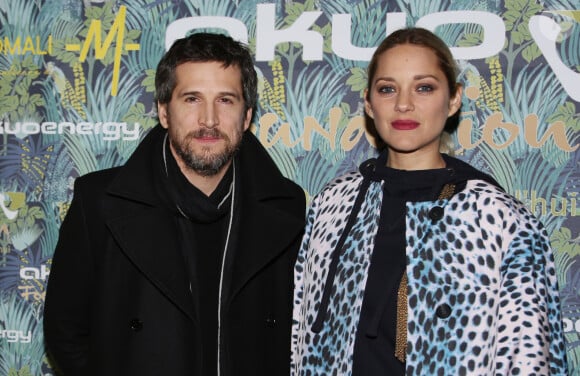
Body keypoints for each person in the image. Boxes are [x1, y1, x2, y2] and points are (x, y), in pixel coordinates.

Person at [290, 27, 567, 375]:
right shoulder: (333, 204)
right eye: (388, 89)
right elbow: (299, 337)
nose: (403, 104)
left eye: (424, 87)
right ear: (368, 103)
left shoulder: (499, 219)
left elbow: (528, 361)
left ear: (453, 99)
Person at [43, 32, 306, 376]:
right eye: (192, 99)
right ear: (164, 112)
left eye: (226, 100)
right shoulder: (100, 203)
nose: (208, 120)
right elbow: (65, 333)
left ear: (247, 116)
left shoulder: (285, 207)